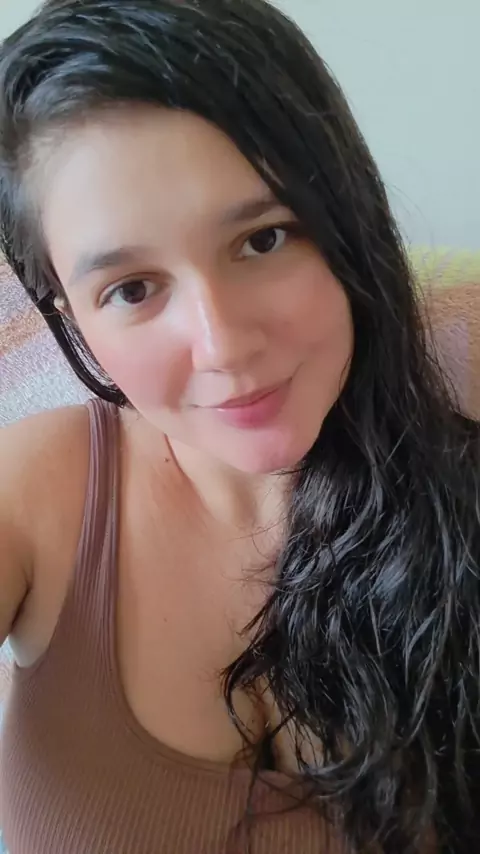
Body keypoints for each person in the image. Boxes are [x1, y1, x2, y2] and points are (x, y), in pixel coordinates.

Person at [0, 0, 478, 851]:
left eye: (263, 240)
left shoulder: (464, 503)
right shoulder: (38, 489)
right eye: (132, 289)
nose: (222, 346)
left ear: (347, 223)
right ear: (73, 318)